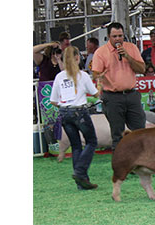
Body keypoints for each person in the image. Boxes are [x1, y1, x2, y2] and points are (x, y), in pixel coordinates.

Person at [50, 46, 100, 190]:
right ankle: (80, 172)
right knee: (91, 142)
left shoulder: (59, 77)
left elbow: (53, 100)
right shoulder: (82, 75)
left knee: (76, 145)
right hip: (80, 113)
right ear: (78, 58)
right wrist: (101, 83)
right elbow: (96, 94)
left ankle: (81, 182)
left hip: (65, 113)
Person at [92, 22, 146, 151]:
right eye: (115, 36)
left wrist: (127, 56)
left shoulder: (131, 48)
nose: (118, 39)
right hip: (112, 97)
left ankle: (142, 161)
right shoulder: (100, 52)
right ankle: (120, 164)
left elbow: (142, 69)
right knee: (117, 133)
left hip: (132, 94)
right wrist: (101, 75)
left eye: (120, 36)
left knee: (139, 130)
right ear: (108, 37)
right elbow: (95, 74)